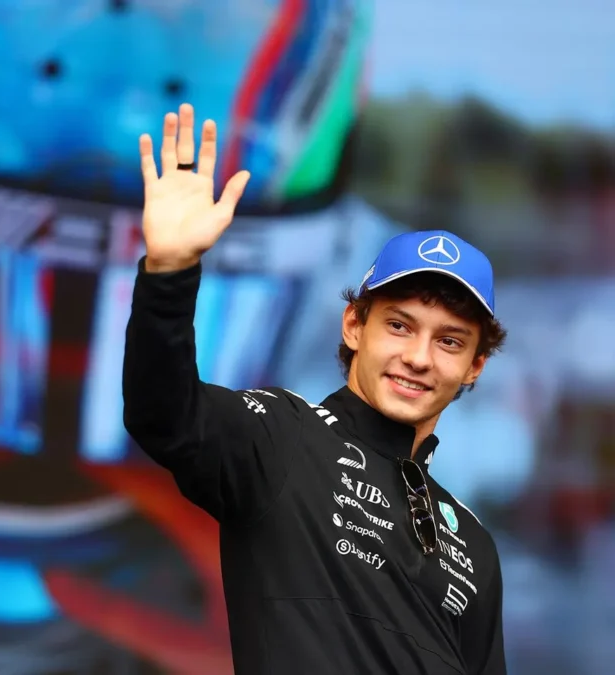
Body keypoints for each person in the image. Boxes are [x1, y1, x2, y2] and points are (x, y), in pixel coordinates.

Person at [124, 102, 509, 674]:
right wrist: (170, 272)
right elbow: (163, 412)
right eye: (399, 326)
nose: (418, 358)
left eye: (449, 341)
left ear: (475, 365)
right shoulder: (281, 436)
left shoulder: (474, 546)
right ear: (354, 326)